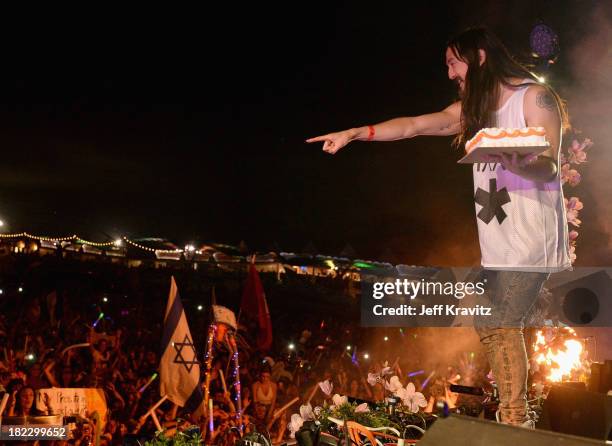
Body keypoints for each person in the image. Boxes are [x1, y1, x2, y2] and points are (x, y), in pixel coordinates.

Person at [307, 27, 571, 428]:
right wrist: (358, 133)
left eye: (453, 62)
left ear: (479, 57)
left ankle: (518, 423)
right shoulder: (476, 110)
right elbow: (414, 125)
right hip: (500, 244)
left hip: (532, 239)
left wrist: (510, 157)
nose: (449, 73)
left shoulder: (533, 97)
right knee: (489, 320)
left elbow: (549, 164)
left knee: (499, 321)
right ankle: (517, 416)